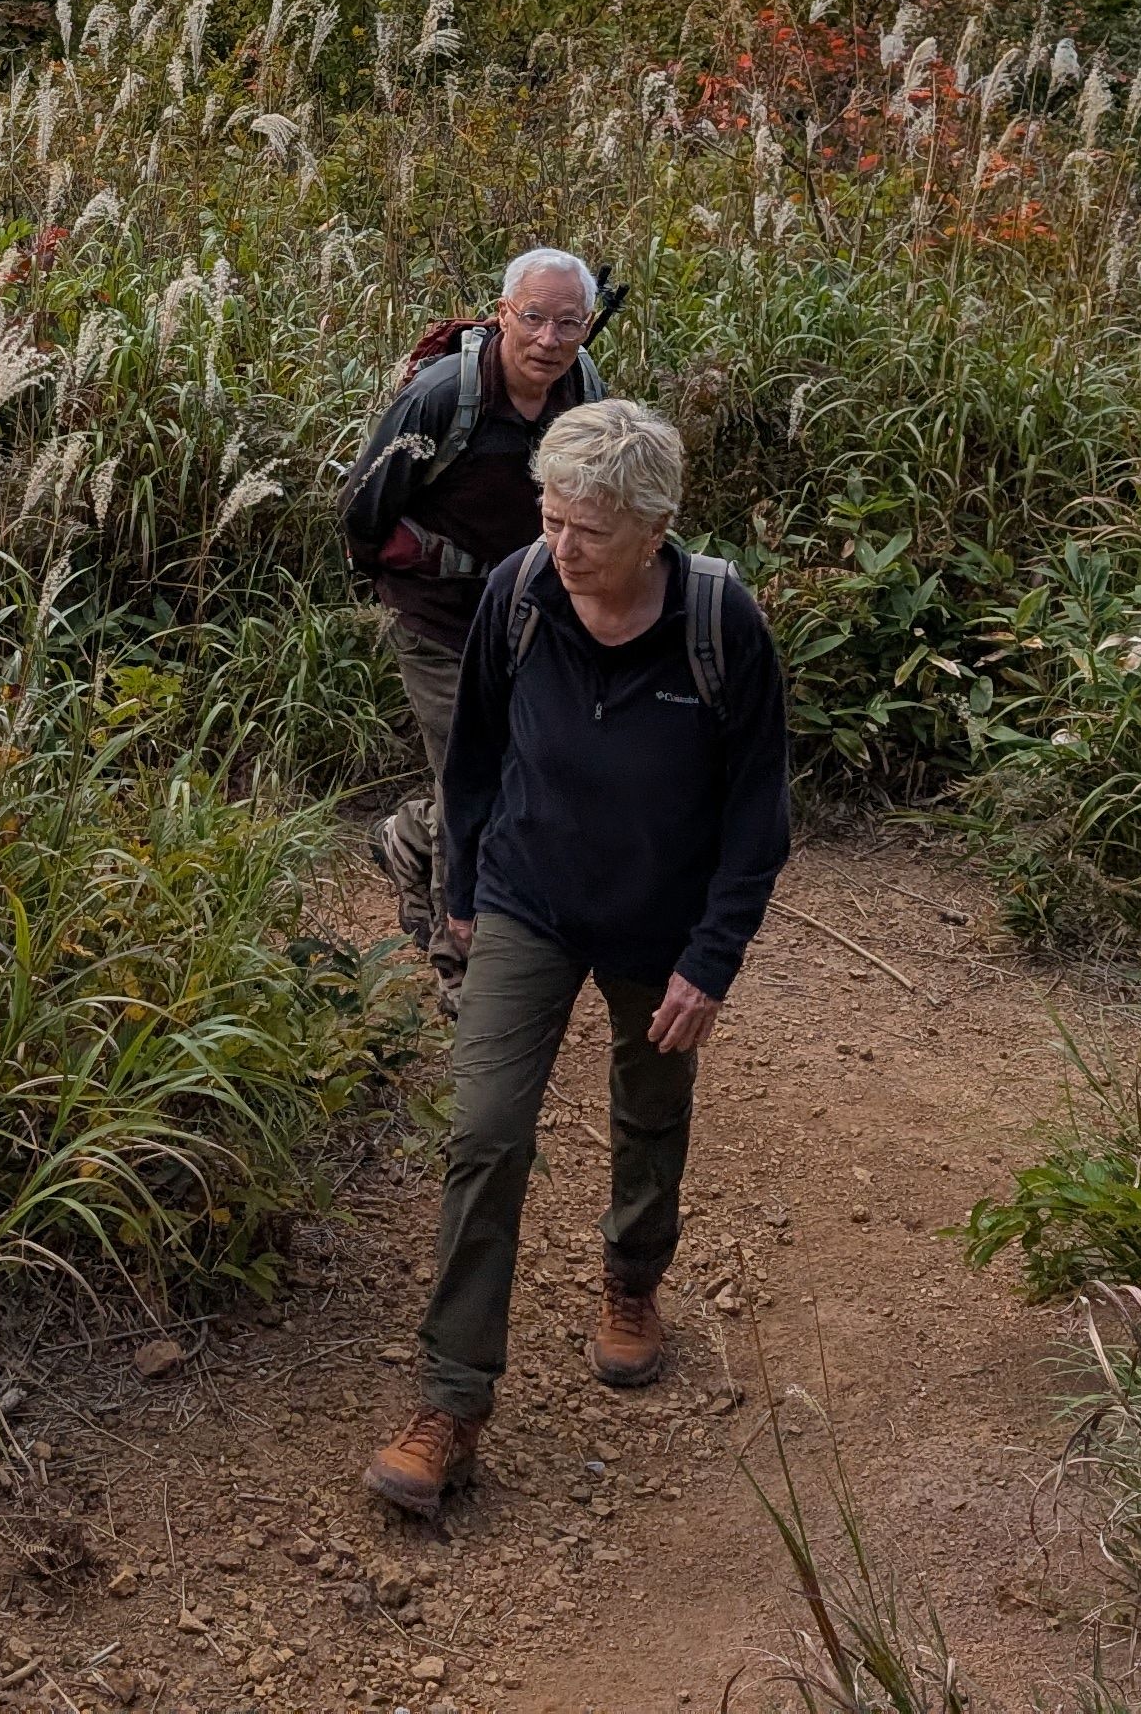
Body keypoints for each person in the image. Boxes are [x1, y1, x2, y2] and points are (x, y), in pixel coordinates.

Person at [363, 398, 790, 1520]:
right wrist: (461, 890)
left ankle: (632, 1282)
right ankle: (452, 1403)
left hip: (663, 921)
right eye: (550, 519)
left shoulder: (719, 624)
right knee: (486, 1131)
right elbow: (476, 757)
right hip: (529, 899)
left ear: (653, 527)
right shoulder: (517, 594)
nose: (558, 547)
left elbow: (759, 815)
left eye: (584, 531)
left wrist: (714, 959)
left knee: (650, 1109)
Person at [338, 249, 609, 987]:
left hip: (527, 616)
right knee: (475, 771)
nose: (549, 340)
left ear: (586, 327)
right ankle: (460, 962)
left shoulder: (582, 393)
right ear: (501, 314)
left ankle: (411, 837)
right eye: (533, 319)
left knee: (533, 763)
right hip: (437, 619)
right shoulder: (441, 396)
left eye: (568, 323)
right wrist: (403, 582)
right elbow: (361, 507)